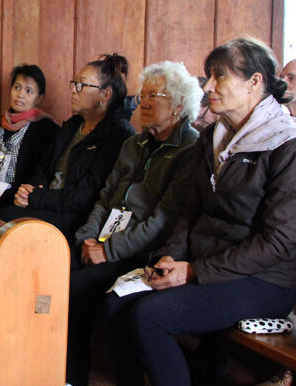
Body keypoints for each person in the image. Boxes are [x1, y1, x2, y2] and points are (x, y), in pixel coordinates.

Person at [103, 36, 296, 386]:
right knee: (117, 302)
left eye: (219, 76)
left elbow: (278, 243)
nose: (208, 87)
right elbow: (190, 211)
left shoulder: (286, 143)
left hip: (264, 279)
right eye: (208, 76)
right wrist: (169, 258)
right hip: (205, 264)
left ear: (255, 82)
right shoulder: (214, 137)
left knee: (150, 316)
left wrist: (194, 272)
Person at [65, 61, 202, 386]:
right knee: (51, 271)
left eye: (156, 95)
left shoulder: (190, 149)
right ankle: (69, 377)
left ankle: (81, 377)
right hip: (102, 243)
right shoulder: (133, 144)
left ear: (180, 104)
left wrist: (106, 250)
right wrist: (87, 238)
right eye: (143, 96)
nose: (146, 103)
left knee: (78, 291)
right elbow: (105, 197)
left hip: (140, 253)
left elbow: (161, 222)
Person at [0, 54, 135, 240]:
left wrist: (37, 197)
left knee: (6, 220)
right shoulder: (73, 125)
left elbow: (86, 195)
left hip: (75, 216)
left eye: (82, 85)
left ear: (105, 94)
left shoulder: (118, 133)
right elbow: (44, 165)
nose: (73, 90)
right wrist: (31, 188)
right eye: (74, 83)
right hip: (47, 202)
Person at [0, 64, 58, 213]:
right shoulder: (2, 125)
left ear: (39, 98)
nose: (20, 94)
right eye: (17, 87)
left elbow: (40, 173)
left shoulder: (46, 129)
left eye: (29, 91)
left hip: (18, 199)